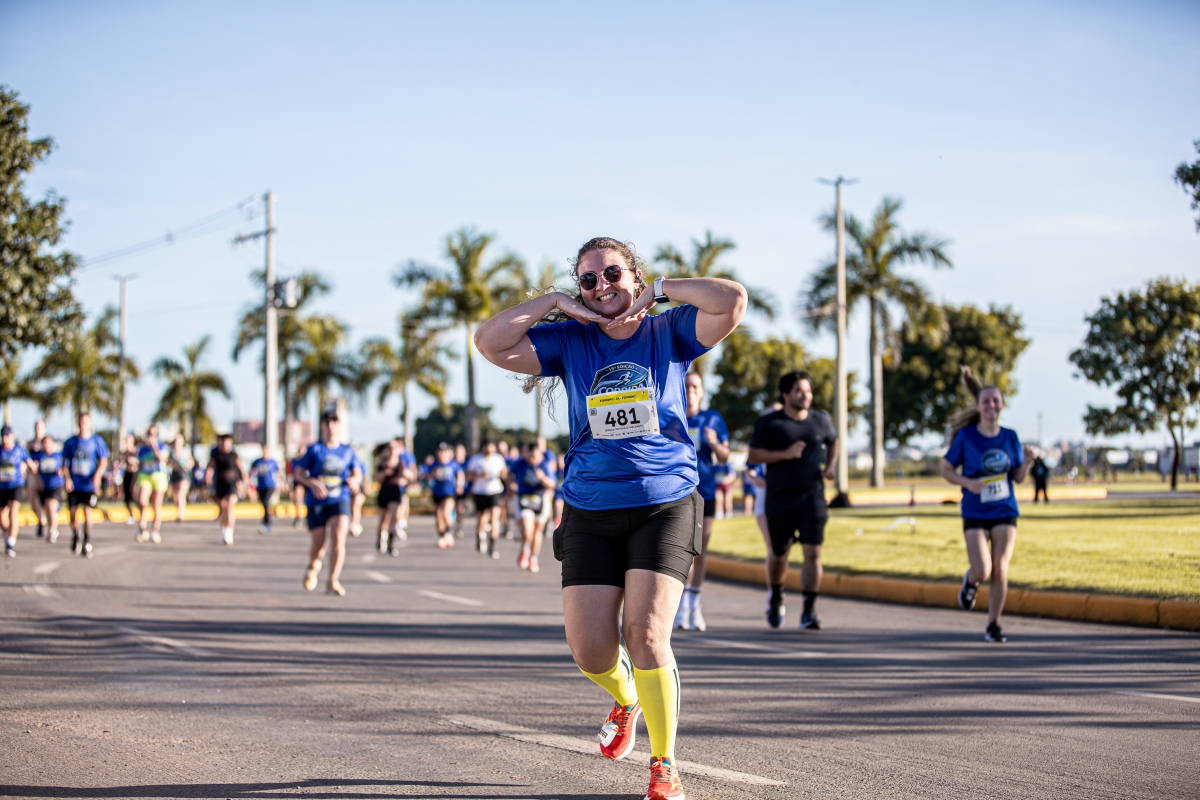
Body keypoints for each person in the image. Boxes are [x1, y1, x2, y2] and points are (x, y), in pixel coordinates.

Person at [475, 236, 746, 800]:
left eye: (613, 274)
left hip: (664, 501)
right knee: (591, 650)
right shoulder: (570, 340)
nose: (602, 286)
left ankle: (664, 765)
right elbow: (489, 342)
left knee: (645, 634)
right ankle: (626, 699)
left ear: (634, 276)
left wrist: (661, 290)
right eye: (588, 279)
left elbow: (733, 301)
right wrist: (554, 302)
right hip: (590, 506)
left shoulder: (669, 331)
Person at [940, 367, 1034, 643]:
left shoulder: (1010, 437)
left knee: (1001, 569)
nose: (991, 405)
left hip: (1005, 509)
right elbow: (946, 469)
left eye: (996, 401)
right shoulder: (967, 437)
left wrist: (1028, 462)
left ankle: (993, 624)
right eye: (986, 401)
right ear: (978, 406)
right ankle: (970, 582)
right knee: (983, 569)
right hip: (975, 509)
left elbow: (1017, 477)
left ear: (1002, 404)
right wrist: (967, 483)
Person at [747, 371, 839, 631]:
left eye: (808, 391)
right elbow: (753, 454)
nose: (805, 396)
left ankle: (809, 610)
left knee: (813, 552)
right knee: (779, 554)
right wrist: (785, 454)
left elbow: (833, 442)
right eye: (799, 391)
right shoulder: (770, 423)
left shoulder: (820, 420)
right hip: (780, 499)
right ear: (786, 394)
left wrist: (831, 466)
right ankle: (776, 595)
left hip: (813, 497)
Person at [675, 370, 730, 632]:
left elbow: (725, 456)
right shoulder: (671, 415)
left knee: (700, 549)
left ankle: (693, 606)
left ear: (702, 391)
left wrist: (715, 443)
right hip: (676, 492)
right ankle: (677, 607)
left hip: (705, 491)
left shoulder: (712, 419)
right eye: (687, 385)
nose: (691, 390)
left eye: (695, 386)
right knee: (679, 550)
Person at [294, 410, 363, 596]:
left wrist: (355, 480)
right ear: (322, 426)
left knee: (339, 538)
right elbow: (298, 473)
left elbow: (357, 472)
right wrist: (311, 482)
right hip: (316, 501)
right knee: (319, 545)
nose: (331, 426)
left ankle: (333, 580)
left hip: (340, 498)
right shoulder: (314, 449)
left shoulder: (347, 450)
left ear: (339, 425)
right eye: (327, 423)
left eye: (334, 422)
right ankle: (313, 566)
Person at [62, 411, 110, 558]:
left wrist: (97, 475)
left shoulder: (96, 440)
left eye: (86, 422)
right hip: (74, 484)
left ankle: (87, 541)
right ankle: (76, 534)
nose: (83, 424)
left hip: (89, 484)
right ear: (78, 423)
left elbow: (103, 461)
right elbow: (64, 463)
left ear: (90, 423)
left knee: (88, 512)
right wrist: (67, 478)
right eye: (81, 422)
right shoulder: (71, 442)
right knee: (72, 514)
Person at [511, 441, 555, 572]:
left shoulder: (544, 465)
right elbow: (509, 474)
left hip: (540, 499)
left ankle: (533, 558)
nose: (532, 459)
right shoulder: (520, 464)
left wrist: (542, 478)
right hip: (524, 498)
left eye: (535, 456)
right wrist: (511, 484)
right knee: (527, 529)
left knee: (537, 532)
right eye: (530, 456)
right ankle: (525, 549)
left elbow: (552, 484)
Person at [466, 439, 507, 559]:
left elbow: (504, 473)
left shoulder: (498, 459)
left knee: (495, 517)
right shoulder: (476, 459)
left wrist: (504, 476)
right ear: (483, 447)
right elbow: (469, 476)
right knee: (481, 519)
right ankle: (480, 535)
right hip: (480, 492)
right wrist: (480, 475)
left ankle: (492, 547)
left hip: (495, 491)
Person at [375, 439, 414, 555]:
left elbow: (410, 477)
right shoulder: (383, 464)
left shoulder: (401, 463)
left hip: (396, 492)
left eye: (394, 448)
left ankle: (390, 545)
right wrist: (384, 473)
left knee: (394, 517)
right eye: (390, 448)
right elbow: (377, 478)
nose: (392, 450)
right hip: (384, 491)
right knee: (384, 518)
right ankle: (380, 539)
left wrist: (404, 478)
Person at [0, 425, 35, 557]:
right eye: (3, 436)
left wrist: (33, 469)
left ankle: (11, 542)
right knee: (2, 517)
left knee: (13, 513)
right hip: (2, 487)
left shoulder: (19, 449)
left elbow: (30, 463)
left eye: (7, 436)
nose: (5, 439)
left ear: (12, 436)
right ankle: (7, 533)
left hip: (16, 485)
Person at [135, 426, 170, 543]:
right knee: (142, 501)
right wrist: (134, 482)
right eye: (149, 434)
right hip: (145, 476)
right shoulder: (142, 449)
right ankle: (142, 526)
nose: (151, 437)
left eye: (153, 435)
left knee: (156, 505)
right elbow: (139, 465)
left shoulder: (162, 446)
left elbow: (161, 458)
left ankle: (155, 530)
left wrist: (154, 446)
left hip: (158, 476)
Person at [429, 443, 463, 549]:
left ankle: (449, 532)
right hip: (437, 492)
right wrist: (433, 474)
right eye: (440, 451)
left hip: (449, 493)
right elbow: (427, 477)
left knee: (445, 512)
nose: (441, 454)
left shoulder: (453, 464)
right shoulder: (434, 464)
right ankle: (443, 535)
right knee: (438, 515)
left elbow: (460, 475)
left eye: (444, 452)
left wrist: (459, 486)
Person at [34, 434, 64, 544]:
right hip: (43, 486)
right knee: (47, 509)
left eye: (48, 443)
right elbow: (34, 470)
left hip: (55, 486)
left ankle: (52, 531)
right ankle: (52, 527)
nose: (46, 445)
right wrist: (38, 480)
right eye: (44, 443)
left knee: (50, 506)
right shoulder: (38, 456)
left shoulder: (58, 456)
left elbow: (64, 467)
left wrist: (61, 471)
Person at [249, 445, 280, 534]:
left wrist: (283, 483)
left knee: (266, 502)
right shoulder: (257, 462)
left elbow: (278, 473)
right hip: (260, 486)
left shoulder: (272, 462)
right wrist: (250, 485)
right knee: (264, 504)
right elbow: (251, 473)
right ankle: (265, 521)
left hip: (270, 485)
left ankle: (267, 523)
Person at [167, 434, 194, 523]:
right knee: (175, 496)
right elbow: (167, 462)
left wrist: (186, 465)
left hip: (183, 474)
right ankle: (179, 510)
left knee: (180, 494)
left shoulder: (185, 451)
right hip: (174, 474)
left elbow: (191, 462)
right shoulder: (171, 452)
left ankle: (180, 514)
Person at [27, 419, 47, 538]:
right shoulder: (30, 444)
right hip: (32, 475)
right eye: (36, 427)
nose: (38, 429)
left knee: (43, 501)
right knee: (32, 501)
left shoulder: (47, 442)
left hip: (44, 476)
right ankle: (41, 519)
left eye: (40, 427)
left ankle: (43, 522)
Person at [120, 434, 140, 524]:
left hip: (134, 474)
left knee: (134, 494)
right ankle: (131, 514)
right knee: (126, 495)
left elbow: (140, 462)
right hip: (127, 473)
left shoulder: (136, 451)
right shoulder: (125, 453)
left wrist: (133, 460)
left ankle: (141, 511)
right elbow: (121, 464)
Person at [453, 442, 470, 538]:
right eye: (456, 452)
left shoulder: (468, 463)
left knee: (460, 508)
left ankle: (459, 526)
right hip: (451, 490)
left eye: (459, 452)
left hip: (465, 489)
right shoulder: (452, 463)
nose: (457, 454)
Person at [289, 445, 308, 528]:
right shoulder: (295, 461)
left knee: (309, 502)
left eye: (303, 451)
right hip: (298, 483)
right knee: (298, 501)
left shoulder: (309, 459)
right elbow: (290, 473)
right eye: (300, 451)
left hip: (308, 483)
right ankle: (298, 518)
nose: (301, 452)